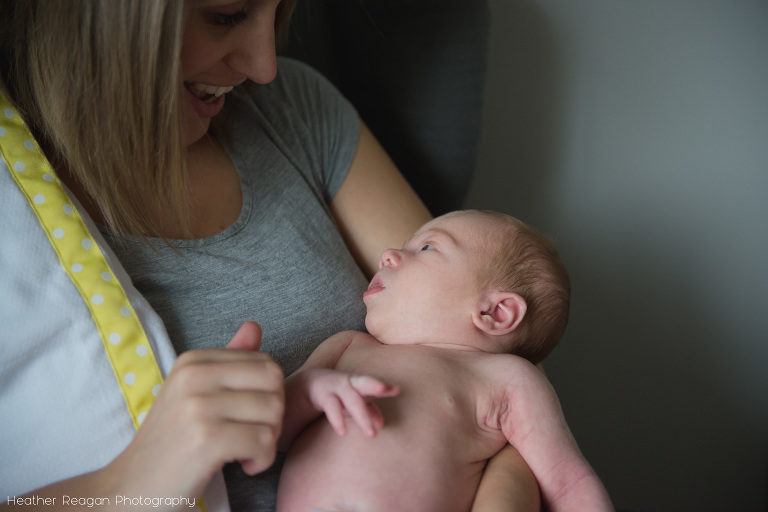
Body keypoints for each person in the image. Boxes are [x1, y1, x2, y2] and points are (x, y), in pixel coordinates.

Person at [0, 2, 540, 512]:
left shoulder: (296, 111)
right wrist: (130, 481)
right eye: (226, 15)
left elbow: (496, 376)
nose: (263, 66)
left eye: (278, 11)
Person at [277, 210, 614, 512]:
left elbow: (567, 482)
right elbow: (271, 430)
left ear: (494, 312)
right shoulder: (346, 347)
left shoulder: (508, 380)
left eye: (427, 248)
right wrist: (309, 392)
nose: (388, 256)